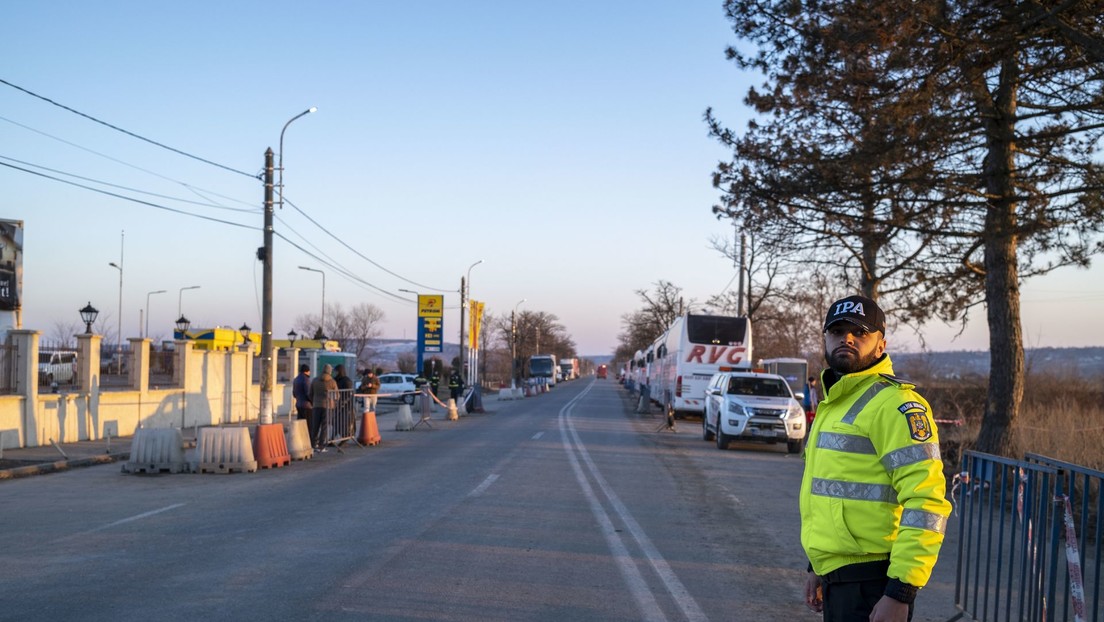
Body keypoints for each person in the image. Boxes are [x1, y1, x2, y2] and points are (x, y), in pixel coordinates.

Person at [801, 295, 952, 622]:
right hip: (838, 579)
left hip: (874, 585)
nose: (847, 339)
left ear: (881, 345)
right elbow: (829, 494)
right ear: (826, 340)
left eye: (860, 333)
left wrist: (900, 592)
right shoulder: (834, 404)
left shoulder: (896, 405)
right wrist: (817, 566)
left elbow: (927, 502)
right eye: (837, 331)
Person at [310, 363, 338, 449]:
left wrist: (313, 401)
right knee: (324, 426)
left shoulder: (315, 380)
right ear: (330, 371)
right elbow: (336, 395)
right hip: (328, 406)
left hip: (316, 405)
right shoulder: (332, 382)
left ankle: (313, 443)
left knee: (315, 425)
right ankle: (322, 445)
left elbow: (310, 393)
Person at [333, 364, 355, 438]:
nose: (335, 373)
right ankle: (334, 436)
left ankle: (344, 436)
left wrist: (344, 402)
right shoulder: (335, 379)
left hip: (345, 405)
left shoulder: (346, 381)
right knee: (335, 421)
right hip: (337, 403)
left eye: (336, 371)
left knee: (343, 422)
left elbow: (348, 394)